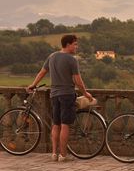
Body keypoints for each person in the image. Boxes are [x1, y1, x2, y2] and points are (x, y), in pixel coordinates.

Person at [27, 34, 93, 162]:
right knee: (65, 125)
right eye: (75, 44)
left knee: (55, 124)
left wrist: (33, 85)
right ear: (68, 44)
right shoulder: (71, 59)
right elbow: (78, 80)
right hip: (67, 95)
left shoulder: (52, 56)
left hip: (54, 95)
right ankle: (63, 155)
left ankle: (54, 154)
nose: (76, 47)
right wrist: (85, 93)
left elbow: (42, 72)